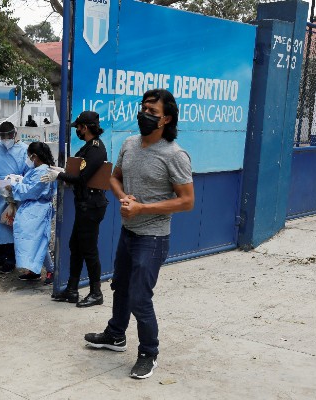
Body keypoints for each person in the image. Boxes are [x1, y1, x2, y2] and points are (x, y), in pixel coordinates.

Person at [84, 89, 194, 379]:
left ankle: (149, 352)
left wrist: (142, 208)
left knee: (139, 298)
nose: (144, 115)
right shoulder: (130, 144)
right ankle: (116, 335)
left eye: (152, 112)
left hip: (153, 238)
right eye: (143, 109)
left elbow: (187, 200)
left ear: (166, 119)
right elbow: (114, 178)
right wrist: (123, 199)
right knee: (120, 286)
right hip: (128, 232)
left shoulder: (175, 155)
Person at [41, 110, 108, 308]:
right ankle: (72, 290)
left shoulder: (96, 149)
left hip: (92, 206)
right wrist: (62, 171)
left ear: (85, 128)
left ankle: (96, 293)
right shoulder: (88, 148)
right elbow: (76, 171)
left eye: (78, 127)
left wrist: (59, 176)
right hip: (84, 205)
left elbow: (82, 178)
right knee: (76, 246)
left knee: (89, 249)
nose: (77, 131)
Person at [9, 142, 57, 282]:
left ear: (34, 156)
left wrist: (12, 186)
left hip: (36, 210)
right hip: (33, 209)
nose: (28, 159)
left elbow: (31, 190)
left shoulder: (42, 171)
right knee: (35, 241)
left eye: (29, 156)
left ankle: (51, 269)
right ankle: (34, 270)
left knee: (39, 241)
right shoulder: (40, 169)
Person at [0, 121, 29, 274]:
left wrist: (17, 181)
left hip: (14, 191)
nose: (5, 139)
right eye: (3, 136)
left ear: (14, 134)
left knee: (11, 224)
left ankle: (11, 258)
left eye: (8, 136)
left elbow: (27, 171)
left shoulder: (24, 150)